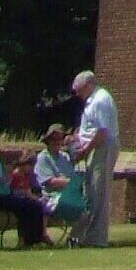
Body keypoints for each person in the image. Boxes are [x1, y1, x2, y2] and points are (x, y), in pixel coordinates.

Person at [0, 127, 48, 246]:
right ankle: (28, 241)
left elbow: (5, 187)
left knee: (31, 204)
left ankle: (32, 240)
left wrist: (8, 177)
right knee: (19, 203)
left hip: (2, 197)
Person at [69, 72, 119, 248]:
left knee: (99, 193)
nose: (77, 95)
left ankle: (97, 240)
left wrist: (85, 150)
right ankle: (87, 237)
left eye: (78, 90)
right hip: (95, 148)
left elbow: (102, 132)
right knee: (91, 192)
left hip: (102, 148)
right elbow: (91, 128)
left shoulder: (100, 100)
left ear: (87, 85)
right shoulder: (92, 101)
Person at [33, 130, 78, 213]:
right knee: (80, 205)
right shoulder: (43, 157)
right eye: (53, 139)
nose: (57, 142)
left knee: (91, 200)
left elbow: (73, 175)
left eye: (59, 139)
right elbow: (50, 182)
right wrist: (73, 182)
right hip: (51, 196)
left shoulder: (65, 156)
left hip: (69, 193)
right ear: (48, 141)